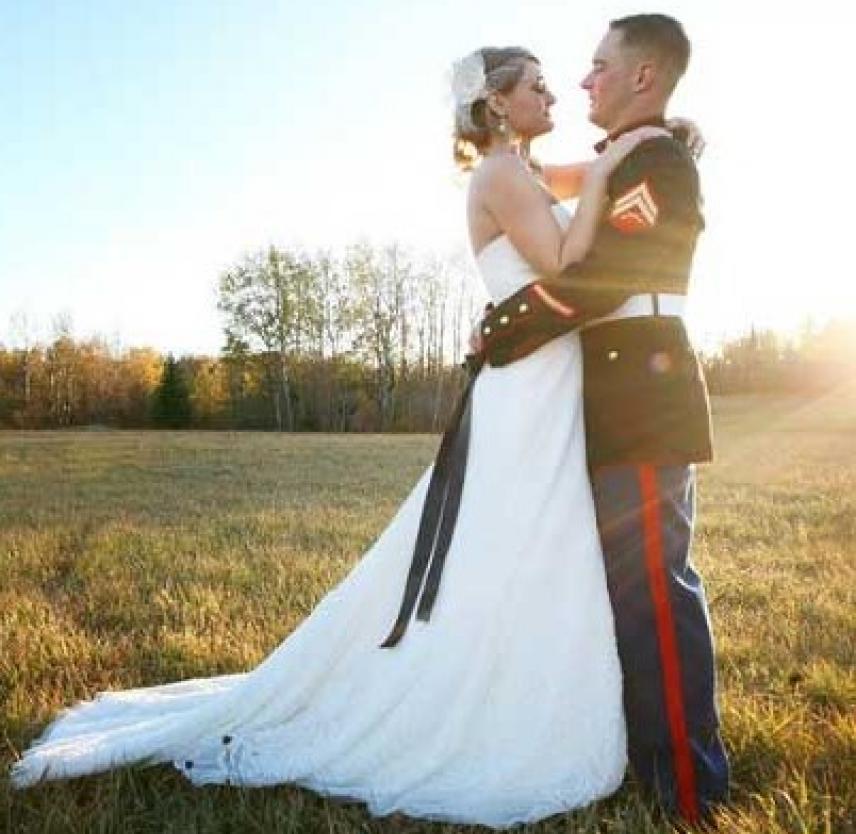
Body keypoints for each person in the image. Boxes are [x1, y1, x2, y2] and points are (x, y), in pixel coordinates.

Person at [10, 47, 652, 829]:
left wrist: (645, 142)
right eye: (538, 86)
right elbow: (561, 259)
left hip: (545, 378)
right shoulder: (500, 175)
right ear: (495, 105)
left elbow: (591, 180)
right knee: (513, 534)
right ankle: (477, 694)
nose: (554, 94)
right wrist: (615, 163)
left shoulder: (521, 169)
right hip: (527, 386)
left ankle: (521, 675)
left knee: (531, 537)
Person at [475, 14, 730, 824]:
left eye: (597, 65)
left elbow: (602, 280)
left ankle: (687, 790)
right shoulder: (635, 154)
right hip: (605, 396)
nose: (583, 81)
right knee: (621, 594)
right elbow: (530, 182)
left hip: (642, 398)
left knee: (656, 593)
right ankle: (636, 756)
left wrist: (500, 329)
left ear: (643, 78)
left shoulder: (656, 160)